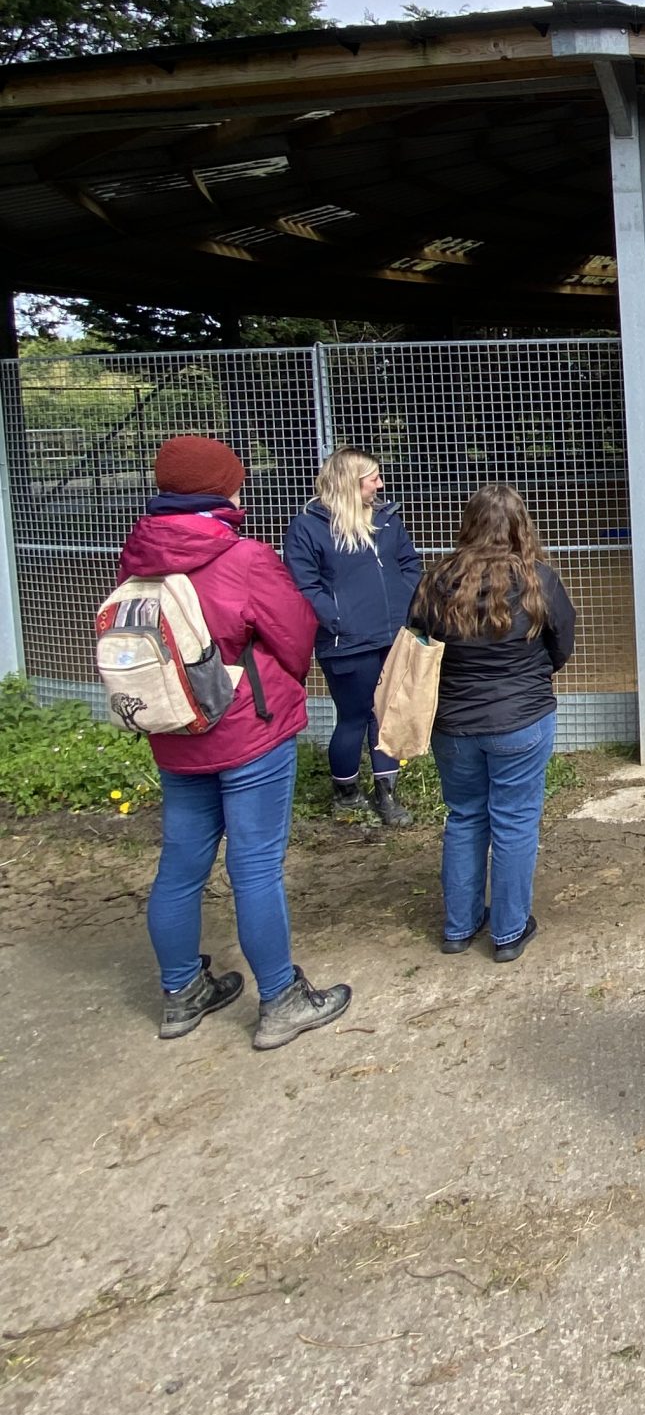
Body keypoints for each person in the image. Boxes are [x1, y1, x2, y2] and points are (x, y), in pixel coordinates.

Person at [118, 435, 351, 1050]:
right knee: (254, 866)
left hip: (174, 729)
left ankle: (180, 993)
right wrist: (274, 685)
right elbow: (294, 631)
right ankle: (279, 999)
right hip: (248, 731)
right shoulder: (243, 555)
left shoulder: (139, 555)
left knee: (180, 866)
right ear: (223, 487)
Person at [412, 484, 575, 963]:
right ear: (521, 527)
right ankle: (509, 932)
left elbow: (417, 645)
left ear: (469, 524)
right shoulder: (538, 579)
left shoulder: (436, 580)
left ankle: (459, 928)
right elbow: (561, 647)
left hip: (454, 724)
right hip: (521, 721)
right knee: (515, 822)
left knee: (464, 817)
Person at [283, 448, 423, 827]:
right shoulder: (308, 527)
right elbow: (304, 586)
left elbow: (409, 563)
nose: (381, 484)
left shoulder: (387, 520)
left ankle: (386, 795)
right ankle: (346, 792)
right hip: (346, 641)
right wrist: (337, 618)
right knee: (355, 717)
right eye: (373, 478)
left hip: (392, 634)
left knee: (386, 715)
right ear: (350, 482)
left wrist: (405, 600)